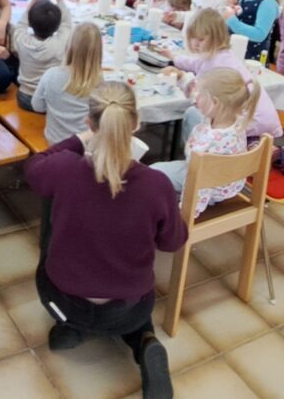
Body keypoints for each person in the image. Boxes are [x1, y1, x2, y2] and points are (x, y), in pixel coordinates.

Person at [26, 82, 184, 399]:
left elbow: (35, 166)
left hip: (65, 298)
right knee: (134, 310)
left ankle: (71, 325)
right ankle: (142, 341)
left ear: (90, 123)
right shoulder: (157, 184)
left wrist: (80, 139)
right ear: (137, 124)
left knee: (51, 229)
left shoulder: (63, 170)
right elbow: (172, 242)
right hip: (128, 306)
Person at [151, 72, 284, 211]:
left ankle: (169, 193)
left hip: (207, 185)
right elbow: (196, 98)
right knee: (192, 113)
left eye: (200, 95)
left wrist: (186, 212)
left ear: (215, 103)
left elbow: (201, 186)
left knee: (153, 172)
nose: (196, 98)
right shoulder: (237, 117)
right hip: (230, 181)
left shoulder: (208, 145)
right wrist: (182, 78)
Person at [154, 8, 283, 142]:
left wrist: (181, 76)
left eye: (201, 39)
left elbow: (198, 96)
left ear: (217, 38)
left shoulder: (218, 64)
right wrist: (174, 57)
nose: (195, 43)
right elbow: (195, 63)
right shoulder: (220, 55)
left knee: (195, 114)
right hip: (260, 115)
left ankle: (198, 156)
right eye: (192, 38)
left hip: (253, 121)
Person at [32, 23, 103, 145]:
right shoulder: (99, 82)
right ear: (99, 51)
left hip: (55, 142)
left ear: (69, 45)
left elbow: (37, 106)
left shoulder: (51, 74)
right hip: (84, 144)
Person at [12, 0, 73, 111]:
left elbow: (20, 24)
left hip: (24, 97)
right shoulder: (59, 44)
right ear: (57, 27)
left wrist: (32, 2)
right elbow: (67, 23)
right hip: (48, 101)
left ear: (30, 23)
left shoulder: (22, 40)